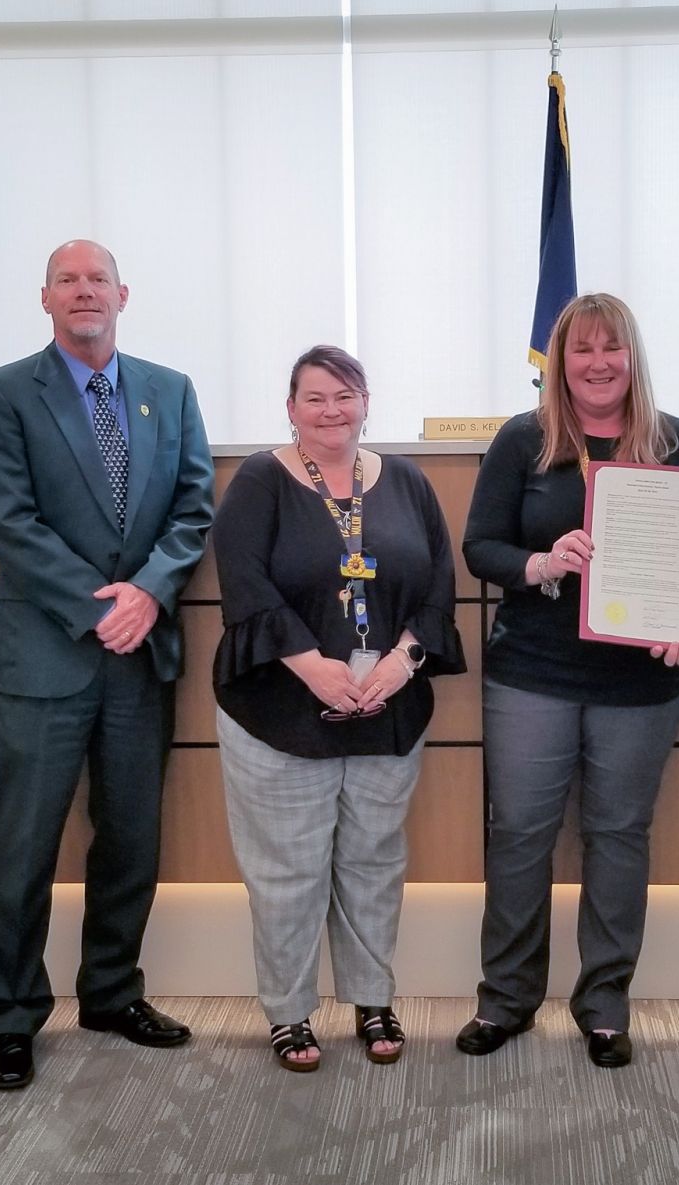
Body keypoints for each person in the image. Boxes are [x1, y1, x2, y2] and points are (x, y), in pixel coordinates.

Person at [0, 239, 214, 1090]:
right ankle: (7, 1015)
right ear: (44, 299)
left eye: (97, 279)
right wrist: (103, 603)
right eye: (67, 280)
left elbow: (193, 507)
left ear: (123, 294)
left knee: (131, 840)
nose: (84, 292)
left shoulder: (168, 392)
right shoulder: (0, 394)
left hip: (142, 655)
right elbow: (8, 521)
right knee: (22, 844)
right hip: (46, 653)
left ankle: (112, 991)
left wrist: (147, 591)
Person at [458, 293, 679, 1070]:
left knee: (619, 836)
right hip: (534, 671)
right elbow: (480, 547)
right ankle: (506, 999)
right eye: (582, 350)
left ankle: (604, 1004)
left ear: (634, 357)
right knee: (521, 835)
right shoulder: (523, 441)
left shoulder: (674, 440)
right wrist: (538, 563)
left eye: (612, 348)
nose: (598, 363)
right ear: (560, 360)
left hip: (640, 685)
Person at [210, 345, 465, 1072]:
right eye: (315, 398)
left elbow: (438, 583)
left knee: (374, 862)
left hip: (386, 705)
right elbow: (245, 583)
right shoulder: (261, 480)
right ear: (290, 407)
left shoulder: (407, 481)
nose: (331, 410)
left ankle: (372, 997)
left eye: (345, 395)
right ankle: (289, 1012)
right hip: (279, 710)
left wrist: (403, 660)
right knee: (287, 872)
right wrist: (313, 667)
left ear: (366, 401)